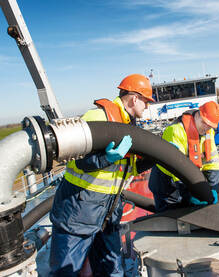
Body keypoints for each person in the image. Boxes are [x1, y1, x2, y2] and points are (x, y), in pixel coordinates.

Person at [49, 74, 154, 276]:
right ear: (134, 98)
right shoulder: (98, 117)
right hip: (78, 212)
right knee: (65, 271)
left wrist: (153, 158)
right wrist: (107, 158)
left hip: (107, 214)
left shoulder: (128, 124)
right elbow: (77, 159)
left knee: (112, 269)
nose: (147, 106)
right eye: (146, 101)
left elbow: (127, 171)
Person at [148, 101, 219, 212]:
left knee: (188, 213)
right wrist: (191, 195)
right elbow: (177, 168)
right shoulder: (175, 131)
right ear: (198, 114)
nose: (206, 127)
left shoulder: (208, 132)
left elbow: (212, 162)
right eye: (203, 122)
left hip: (188, 178)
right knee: (170, 217)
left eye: (210, 126)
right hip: (166, 184)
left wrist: (213, 188)